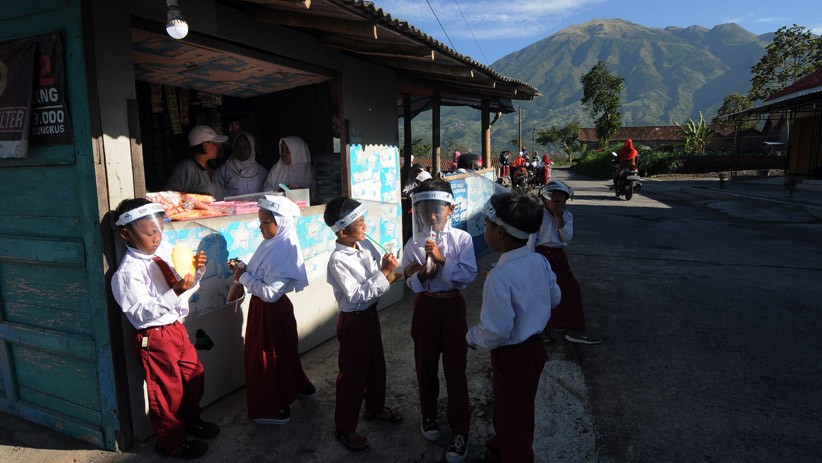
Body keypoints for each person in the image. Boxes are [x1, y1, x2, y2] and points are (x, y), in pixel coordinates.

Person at [110, 198, 220, 459]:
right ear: (127, 234)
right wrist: (175, 292)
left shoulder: (162, 250)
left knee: (194, 376)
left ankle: (190, 419)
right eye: (150, 233)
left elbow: (185, 283)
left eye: (159, 230)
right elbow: (139, 312)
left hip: (176, 328)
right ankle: (170, 441)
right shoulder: (128, 273)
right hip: (155, 336)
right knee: (166, 390)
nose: (157, 238)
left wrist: (197, 269)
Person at [466, 192, 561, 463]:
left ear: (500, 233)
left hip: (513, 356)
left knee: (511, 415)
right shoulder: (540, 261)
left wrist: (471, 336)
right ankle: (501, 446)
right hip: (535, 351)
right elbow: (555, 298)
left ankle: (514, 454)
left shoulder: (499, 277)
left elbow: (496, 332)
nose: (485, 229)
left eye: (487, 224)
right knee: (519, 407)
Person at [401, 179, 477, 463]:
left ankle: (460, 429)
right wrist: (421, 275)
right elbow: (411, 282)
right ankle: (429, 415)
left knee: (456, 370)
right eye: (423, 210)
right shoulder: (413, 243)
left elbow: (467, 276)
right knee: (425, 365)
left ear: (450, 209)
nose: (430, 216)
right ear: (416, 211)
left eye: (437, 209)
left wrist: (442, 260)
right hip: (427, 308)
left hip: (452, 306)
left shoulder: (462, 240)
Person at [227, 195, 317, 425]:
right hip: (269, 310)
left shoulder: (284, 251)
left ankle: (271, 407)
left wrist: (243, 276)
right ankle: (297, 385)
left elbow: (269, 293)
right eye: (260, 221)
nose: (261, 227)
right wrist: (245, 269)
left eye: (266, 221)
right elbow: (264, 274)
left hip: (270, 311)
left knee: (265, 357)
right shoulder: (273, 243)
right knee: (284, 351)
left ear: (282, 222)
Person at [324, 197, 403, 452]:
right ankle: (344, 427)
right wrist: (384, 273)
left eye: (363, 220)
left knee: (375, 366)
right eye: (359, 223)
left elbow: (381, 277)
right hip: (354, 321)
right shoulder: (338, 260)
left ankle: (374, 408)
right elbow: (357, 295)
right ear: (343, 231)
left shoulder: (364, 244)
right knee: (352, 375)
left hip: (369, 316)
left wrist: (392, 271)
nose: (365, 226)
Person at [534, 181, 601, 345]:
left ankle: (574, 328)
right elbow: (531, 238)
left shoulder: (567, 216)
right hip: (540, 255)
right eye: (552, 198)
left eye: (561, 198)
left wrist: (559, 217)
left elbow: (566, 237)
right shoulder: (538, 215)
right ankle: (540, 329)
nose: (556, 201)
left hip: (558, 255)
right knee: (539, 292)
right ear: (544, 200)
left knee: (570, 289)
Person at [166, 125, 227, 200]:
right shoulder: (186, 168)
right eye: (215, 144)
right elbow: (170, 195)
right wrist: (197, 198)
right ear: (205, 145)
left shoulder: (212, 168)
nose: (218, 147)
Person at [215, 132, 268, 197]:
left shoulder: (261, 172)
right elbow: (217, 193)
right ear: (233, 148)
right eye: (238, 146)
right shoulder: (224, 170)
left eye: (246, 146)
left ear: (252, 148)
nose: (241, 150)